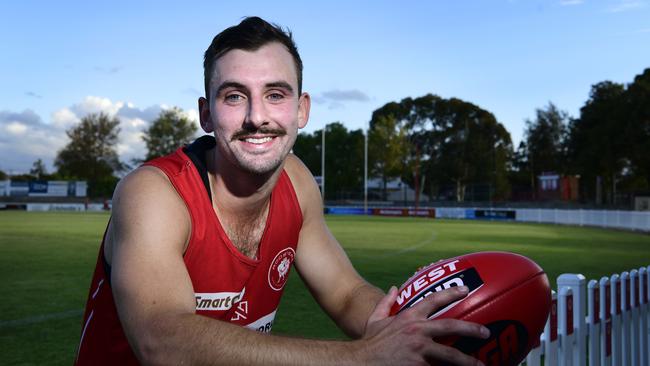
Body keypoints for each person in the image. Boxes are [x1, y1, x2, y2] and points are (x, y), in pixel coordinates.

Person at [74, 16, 489, 366]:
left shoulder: (298, 183)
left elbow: (346, 294)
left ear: (301, 109)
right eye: (234, 96)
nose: (257, 117)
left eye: (275, 94)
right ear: (206, 114)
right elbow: (162, 340)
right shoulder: (155, 193)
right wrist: (362, 357)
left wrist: (414, 332)